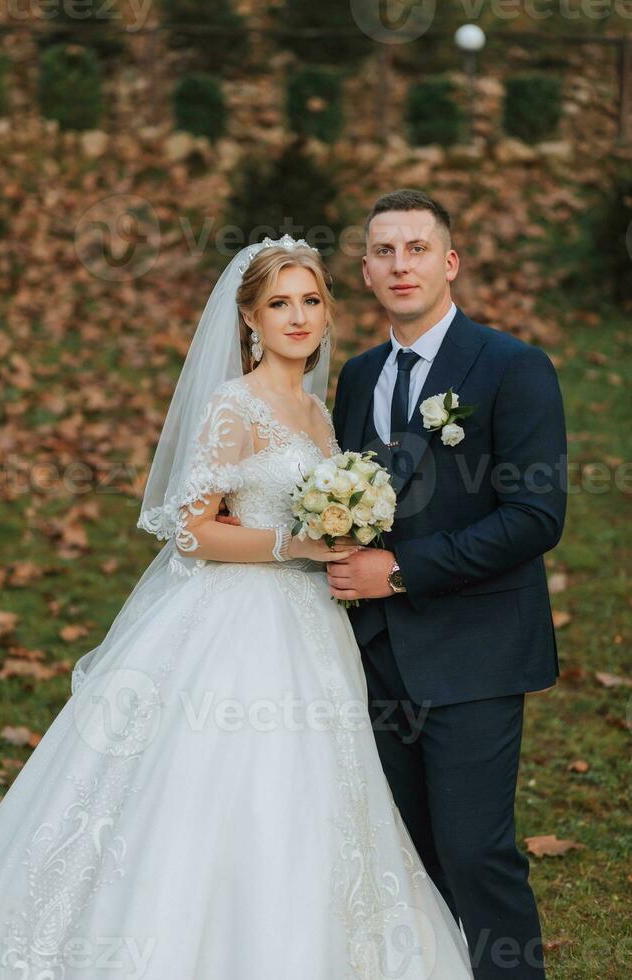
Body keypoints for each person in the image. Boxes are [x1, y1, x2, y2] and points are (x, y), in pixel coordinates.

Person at [0, 234, 473, 979]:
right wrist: (298, 547)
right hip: (235, 621)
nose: (298, 318)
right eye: (279, 303)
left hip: (310, 625)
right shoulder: (233, 404)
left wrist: (342, 526)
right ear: (249, 318)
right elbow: (191, 528)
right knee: (219, 779)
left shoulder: (313, 409)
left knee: (318, 783)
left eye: (310, 301)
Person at [325, 189, 568, 979]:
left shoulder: (512, 367)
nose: (402, 264)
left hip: (475, 650)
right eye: (385, 251)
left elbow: (535, 516)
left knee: (475, 851)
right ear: (365, 271)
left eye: (418, 248)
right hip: (377, 656)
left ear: (450, 262)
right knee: (405, 853)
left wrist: (399, 571)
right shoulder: (359, 377)